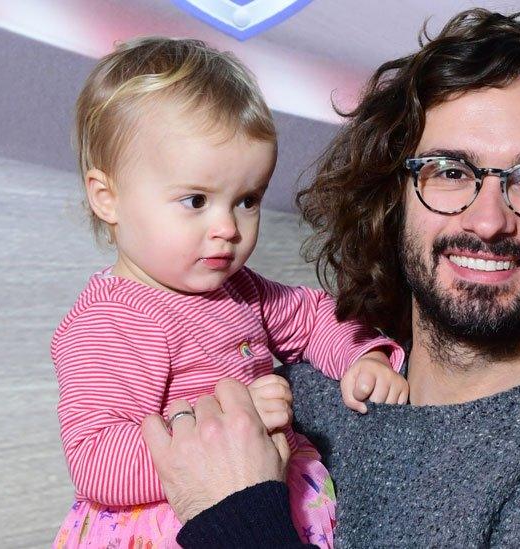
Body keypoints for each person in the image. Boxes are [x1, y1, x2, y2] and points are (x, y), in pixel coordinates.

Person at [143, 9, 520, 548]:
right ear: (393, 200)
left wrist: (235, 517)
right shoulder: (295, 393)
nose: (489, 221)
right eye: (450, 172)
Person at [51, 37, 409, 549]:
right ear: (108, 198)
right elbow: (96, 461)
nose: (227, 227)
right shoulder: (110, 323)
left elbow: (312, 316)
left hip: (270, 505)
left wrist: (362, 356)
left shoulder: (240, 291)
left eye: (246, 200)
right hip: (171, 523)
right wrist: (232, 419)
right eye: (195, 200)